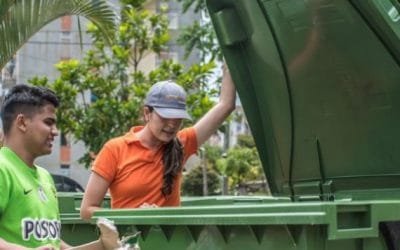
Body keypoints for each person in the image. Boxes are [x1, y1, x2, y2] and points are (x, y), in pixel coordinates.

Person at [80, 64, 236, 220]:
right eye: (165, 117)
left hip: (169, 242)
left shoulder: (181, 145)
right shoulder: (115, 149)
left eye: (178, 119)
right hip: (128, 241)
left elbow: (226, 106)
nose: (172, 125)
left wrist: (229, 64)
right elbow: (87, 210)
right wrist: (136, 215)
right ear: (147, 113)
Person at [0, 84, 120, 250]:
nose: (55, 131)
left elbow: (55, 245)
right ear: (22, 122)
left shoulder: (45, 177)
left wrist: (102, 245)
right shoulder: (3, 169)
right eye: (48, 122)